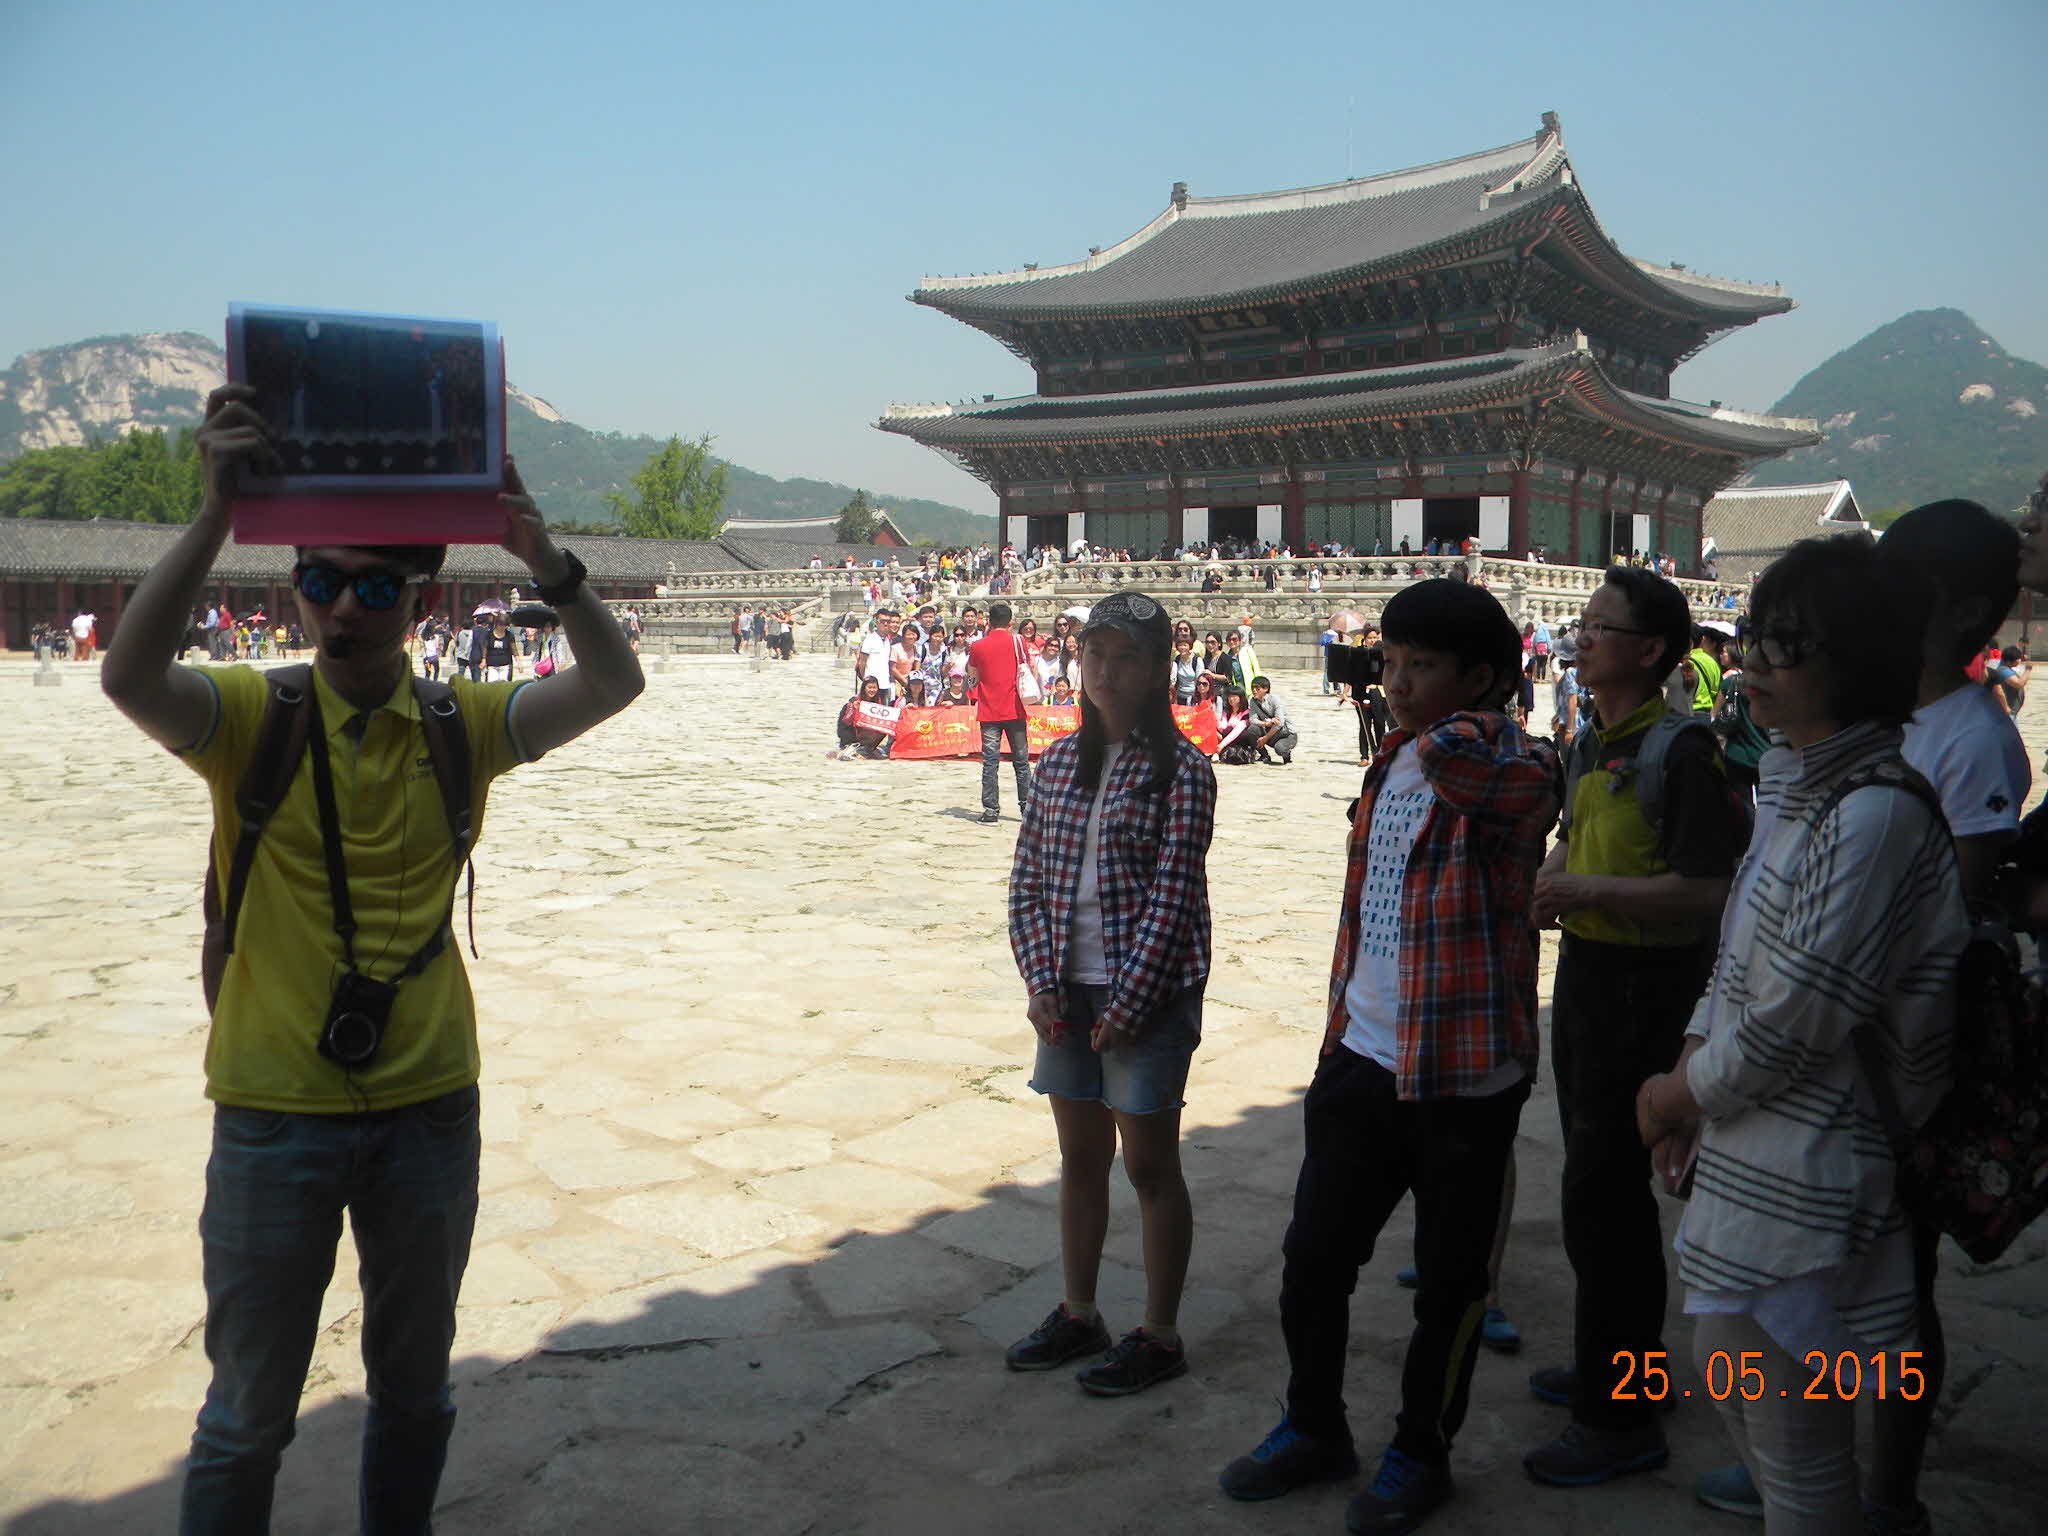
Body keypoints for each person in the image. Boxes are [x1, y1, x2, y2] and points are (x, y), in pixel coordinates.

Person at [98, 386, 643, 1530]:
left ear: (420, 601)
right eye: (320, 581)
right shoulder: (249, 717)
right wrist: (215, 516)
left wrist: (544, 558)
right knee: (245, 1414)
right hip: (272, 1107)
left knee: (414, 1391)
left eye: (376, 587)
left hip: (428, 1105)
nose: (344, 607)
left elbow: (611, 684)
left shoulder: (462, 727)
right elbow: (130, 678)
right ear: (295, 586)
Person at [1636, 535, 1965, 1534]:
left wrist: (1675, 1094)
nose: (1753, 663)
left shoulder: (1872, 816)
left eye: (1785, 646)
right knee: (1737, 1383)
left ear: (1855, 661)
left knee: (1797, 1453)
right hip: (1752, 1149)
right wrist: (1688, 1067)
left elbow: (1797, 1020)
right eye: (1755, 638)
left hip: (1814, 1165)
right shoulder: (1795, 786)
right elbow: (1735, 964)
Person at [1220, 579, 1557, 1531]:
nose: (1396, 682)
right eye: (1391, 662)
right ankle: (1313, 1425)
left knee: (1450, 1285)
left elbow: (1491, 767)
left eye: (1420, 665)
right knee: (1312, 1260)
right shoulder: (1393, 760)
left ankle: (1422, 1450)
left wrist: (1460, 707)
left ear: (1482, 678)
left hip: (1465, 1072)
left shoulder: (1516, 762)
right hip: (1362, 1055)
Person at [1523, 565, 1745, 1487]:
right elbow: (1580, 833)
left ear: (1650, 650)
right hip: (1587, 976)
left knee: (1607, 1197)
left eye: (1598, 626)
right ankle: (1632, 1370)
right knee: (1594, 1190)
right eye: (1581, 623)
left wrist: (1583, 889)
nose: (1580, 638)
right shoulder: (1591, 740)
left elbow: (1707, 888)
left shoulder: (1682, 751)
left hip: (1646, 989)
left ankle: (1620, 1420)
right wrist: (1558, 871)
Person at [1003, 591, 1215, 1397]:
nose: (1106, 671)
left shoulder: (1182, 773)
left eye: (1127, 657)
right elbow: (1027, 882)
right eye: (1095, 653)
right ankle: (1080, 1310)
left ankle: (1160, 1332)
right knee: (1080, 1159)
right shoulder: (1058, 764)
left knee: (1151, 1166)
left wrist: (1129, 1006)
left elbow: (1173, 899)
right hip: (1067, 991)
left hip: (1148, 995)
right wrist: (1039, 981)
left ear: (1159, 671)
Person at [967, 601, 1034, 825]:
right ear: (1010, 622)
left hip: (989, 711)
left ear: (989, 621)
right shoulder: (1018, 642)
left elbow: (972, 677)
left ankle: (990, 810)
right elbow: (1029, 668)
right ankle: (1027, 809)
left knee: (990, 762)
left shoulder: (977, 646)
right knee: (1021, 762)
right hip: (1014, 708)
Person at [1248, 676, 1297, 765]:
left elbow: (1279, 723)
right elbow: (1252, 719)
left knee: (1280, 749)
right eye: (1253, 688)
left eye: (1257, 689)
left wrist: (1265, 738)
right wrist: (1267, 723)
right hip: (1269, 730)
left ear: (1266, 689)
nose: (1254, 691)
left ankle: (1286, 754)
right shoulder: (1253, 701)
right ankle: (1264, 756)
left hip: (1286, 734)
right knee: (1252, 729)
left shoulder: (1274, 699)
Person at [858, 609, 900, 702]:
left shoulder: (888, 640)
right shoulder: (870, 639)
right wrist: (865, 679)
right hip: (871, 685)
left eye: (888, 621)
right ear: (877, 622)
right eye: (882, 621)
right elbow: (862, 661)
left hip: (885, 684)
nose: (885, 624)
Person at [1214, 687, 1258, 765]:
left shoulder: (1246, 713)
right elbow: (1222, 727)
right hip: (1227, 738)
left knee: (1237, 731)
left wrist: (1221, 745)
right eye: (1229, 697)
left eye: (1234, 697)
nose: (1231, 699)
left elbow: (1237, 730)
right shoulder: (1227, 712)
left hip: (1240, 739)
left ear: (1240, 698)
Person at [481, 614, 518, 682]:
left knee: (504, 684)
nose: (502, 627)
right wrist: (483, 660)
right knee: (492, 684)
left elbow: (514, 650)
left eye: (505, 625)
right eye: (500, 625)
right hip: (492, 665)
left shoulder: (509, 635)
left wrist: (519, 662)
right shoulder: (489, 635)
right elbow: (485, 647)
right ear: (496, 624)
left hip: (505, 665)